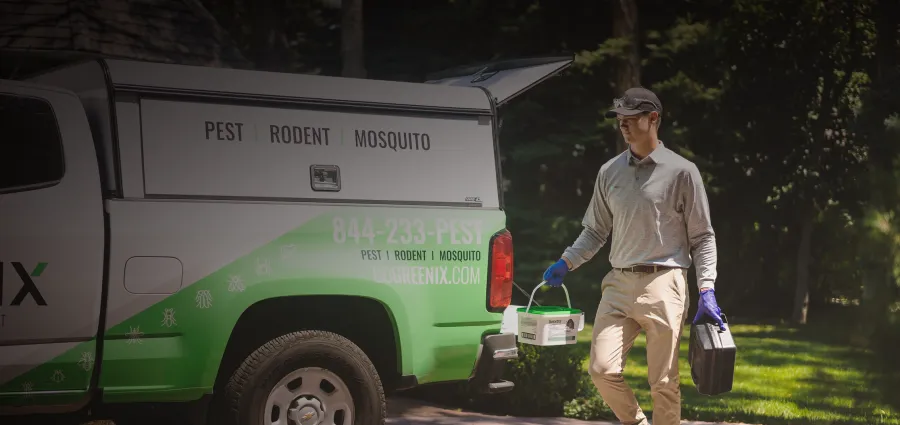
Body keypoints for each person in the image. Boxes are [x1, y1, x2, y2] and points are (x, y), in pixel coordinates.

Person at [542, 87, 725, 425]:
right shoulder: (609, 172)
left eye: (630, 118)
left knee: (664, 383)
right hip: (618, 284)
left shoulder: (682, 172)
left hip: (665, 283)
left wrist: (706, 288)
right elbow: (596, 231)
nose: (622, 125)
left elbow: (702, 236)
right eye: (619, 119)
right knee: (601, 369)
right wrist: (566, 261)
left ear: (653, 118)